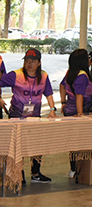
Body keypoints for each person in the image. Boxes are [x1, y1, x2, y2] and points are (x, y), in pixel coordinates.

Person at [0, 48, 56, 183]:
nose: (29, 64)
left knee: (37, 145)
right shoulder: (15, 75)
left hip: (35, 117)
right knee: (18, 147)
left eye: (33, 61)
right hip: (16, 116)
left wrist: (52, 109)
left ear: (39, 63)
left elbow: (48, 93)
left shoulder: (43, 76)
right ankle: (19, 174)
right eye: (27, 61)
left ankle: (36, 173)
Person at [60, 49, 92, 178]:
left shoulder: (70, 72)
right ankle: (78, 169)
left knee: (72, 142)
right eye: (88, 57)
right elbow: (79, 96)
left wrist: (63, 102)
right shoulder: (82, 75)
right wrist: (80, 114)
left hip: (69, 110)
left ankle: (73, 169)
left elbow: (62, 86)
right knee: (80, 142)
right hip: (78, 112)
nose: (90, 59)